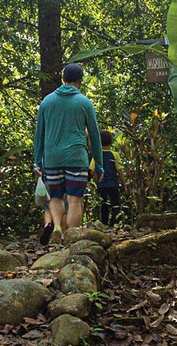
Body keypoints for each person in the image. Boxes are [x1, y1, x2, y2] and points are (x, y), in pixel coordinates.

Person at [34, 63, 104, 245]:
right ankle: (72, 238)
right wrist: (99, 164)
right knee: (74, 201)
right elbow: (95, 136)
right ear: (80, 80)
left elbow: (39, 135)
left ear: (63, 79)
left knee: (55, 198)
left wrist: (37, 161)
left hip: (52, 159)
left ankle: (57, 228)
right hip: (76, 158)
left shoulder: (47, 102)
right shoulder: (84, 103)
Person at [90, 131, 126, 227]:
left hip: (101, 185)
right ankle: (114, 224)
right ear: (111, 142)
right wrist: (124, 185)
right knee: (115, 205)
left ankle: (105, 225)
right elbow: (120, 171)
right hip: (113, 184)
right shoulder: (115, 155)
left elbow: (91, 172)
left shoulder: (97, 156)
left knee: (103, 205)